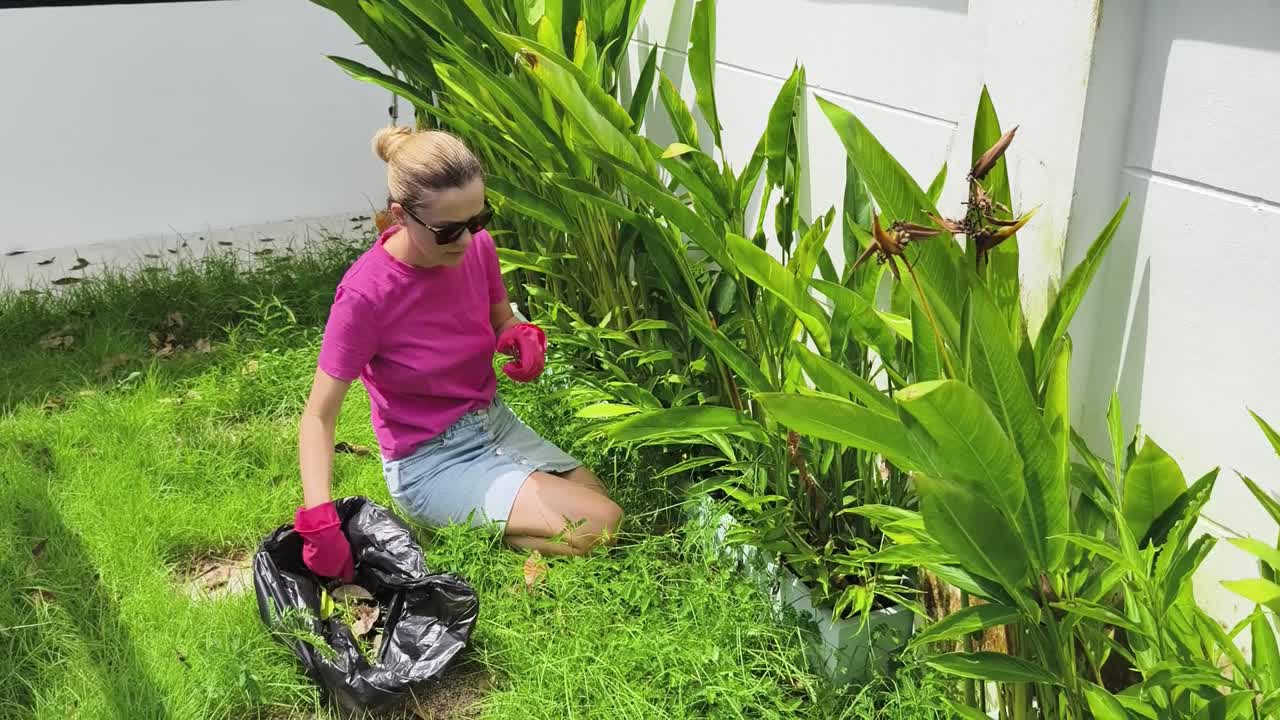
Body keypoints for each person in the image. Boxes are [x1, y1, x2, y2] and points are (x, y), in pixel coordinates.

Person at [293, 126, 624, 582]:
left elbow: (501, 318)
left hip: (493, 422)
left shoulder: (475, 247)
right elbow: (318, 416)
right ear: (400, 216)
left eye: (477, 220)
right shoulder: (365, 296)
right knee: (600, 524)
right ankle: (473, 524)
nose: (467, 241)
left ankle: (493, 523)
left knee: (596, 498)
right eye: (448, 230)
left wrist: (519, 335)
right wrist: (320, 519)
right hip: (429, 460)